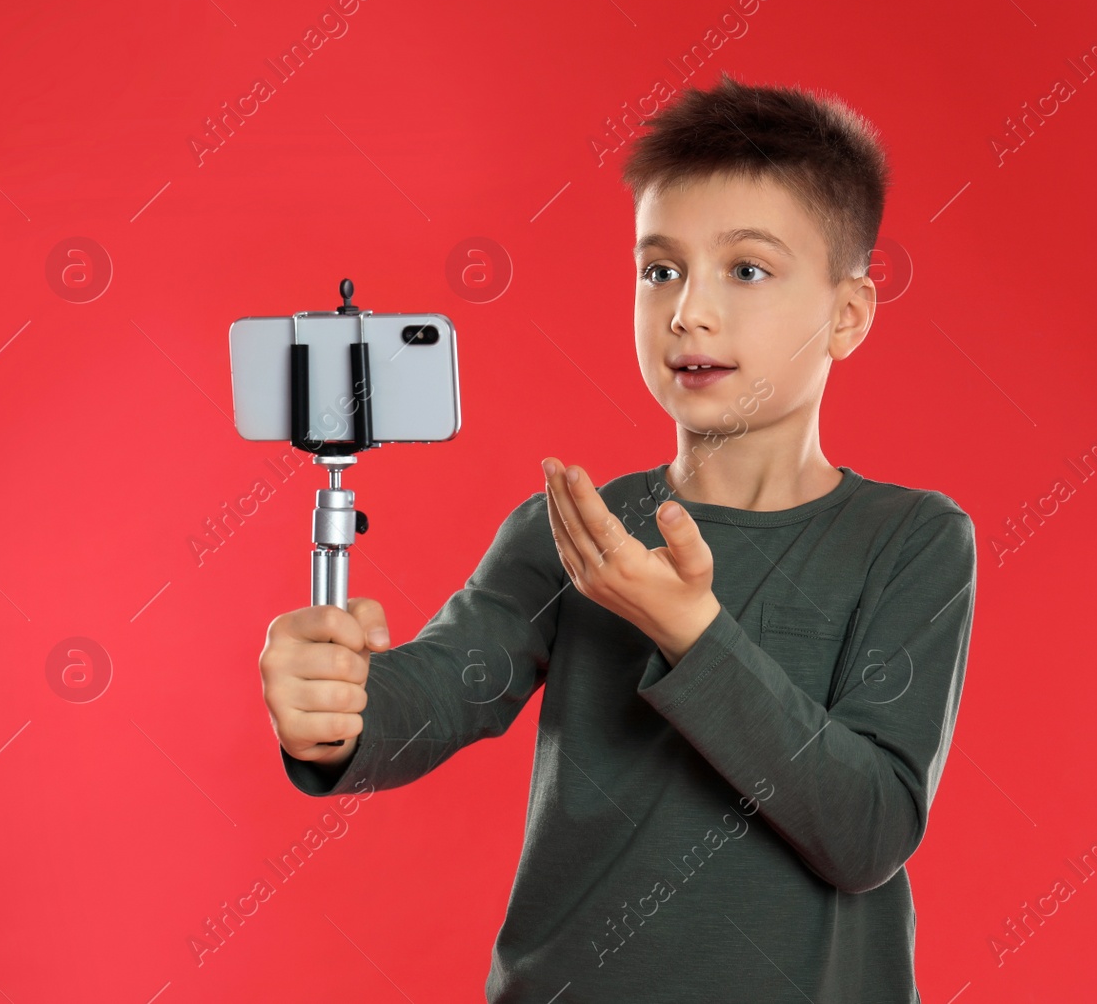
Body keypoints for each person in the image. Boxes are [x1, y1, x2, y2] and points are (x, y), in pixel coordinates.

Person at [258, 71, 977, 1001]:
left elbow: (868, 830)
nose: (688, 311)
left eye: (746, 269)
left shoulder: (910, 540)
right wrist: (331, 705)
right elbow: (437, 688)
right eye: (659, 268)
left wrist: (690, 632)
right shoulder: (572, 532)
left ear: (848, 314)